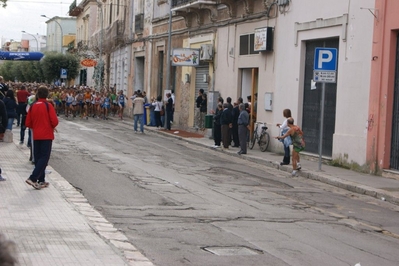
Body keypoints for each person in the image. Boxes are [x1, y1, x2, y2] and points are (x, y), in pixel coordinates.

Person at [25, 86, 59, 189]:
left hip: (36, 135)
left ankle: (41, 180)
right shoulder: (48, 106)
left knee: (39, 157)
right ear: (47, 95)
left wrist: (36, 126)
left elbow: (28, 122)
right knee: (44, 158)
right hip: (46, 135)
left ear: (38, 94)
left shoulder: (33, 105)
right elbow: (55, 121)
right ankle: (33, 177)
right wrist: (50, 126)